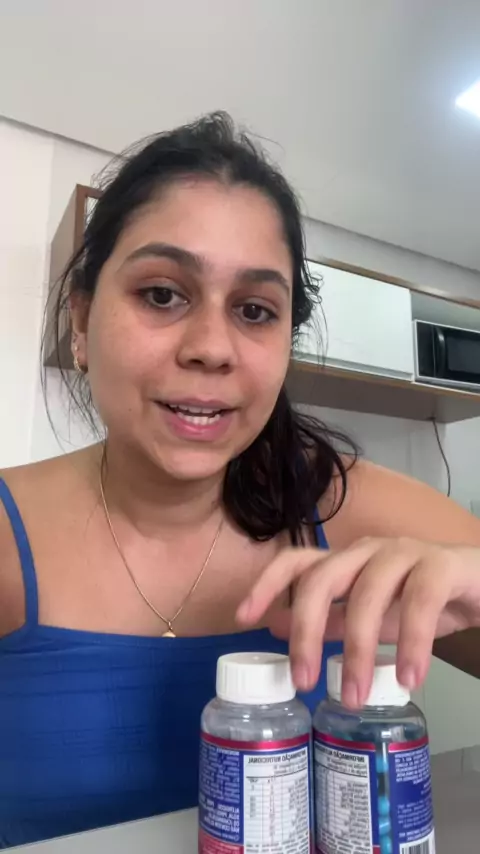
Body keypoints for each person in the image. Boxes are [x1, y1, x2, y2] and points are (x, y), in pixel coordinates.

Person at [1, 112, 480, 848]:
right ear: (82, 319)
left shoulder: (343, 506)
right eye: (162, 294)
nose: (212, 348)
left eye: (255, 310)